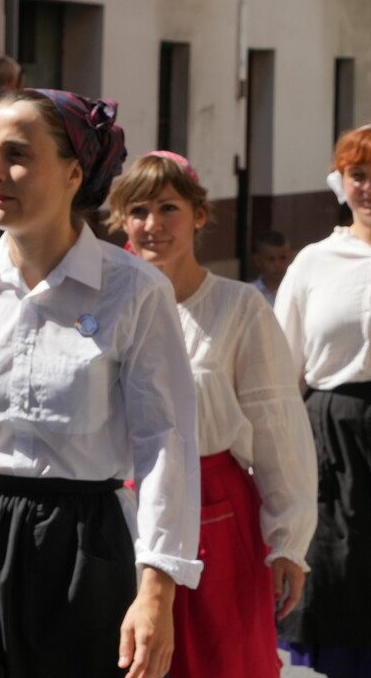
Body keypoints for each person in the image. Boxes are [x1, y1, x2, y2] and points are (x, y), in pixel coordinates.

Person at [0, 89, 203, 678]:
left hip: (82, 547)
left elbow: (165, 442)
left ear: (74, 173)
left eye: (17, 155)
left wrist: (157, 586)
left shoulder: (134, 290)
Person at [108, 151, 317, 678]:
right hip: (117, 514)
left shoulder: (238, 308)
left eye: (168, 208)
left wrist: (288, 539)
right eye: (138, 211)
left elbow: (276, 424)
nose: (152, 224)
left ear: (199, 215)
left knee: (217, 661)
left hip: (215, 516)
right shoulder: (105, 309)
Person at [276, 124, 371, 678]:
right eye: (359, 175)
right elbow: (280, 369)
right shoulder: (314, 262)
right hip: (333, 438)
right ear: (342, 181)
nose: (369, 187)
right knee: (341, 572)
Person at [251, 230, 292, 307]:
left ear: (290, 258)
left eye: (283, 258)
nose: (277, 265)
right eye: (271, 259)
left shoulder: (294, 290)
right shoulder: (250, 292)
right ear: (258, 260)